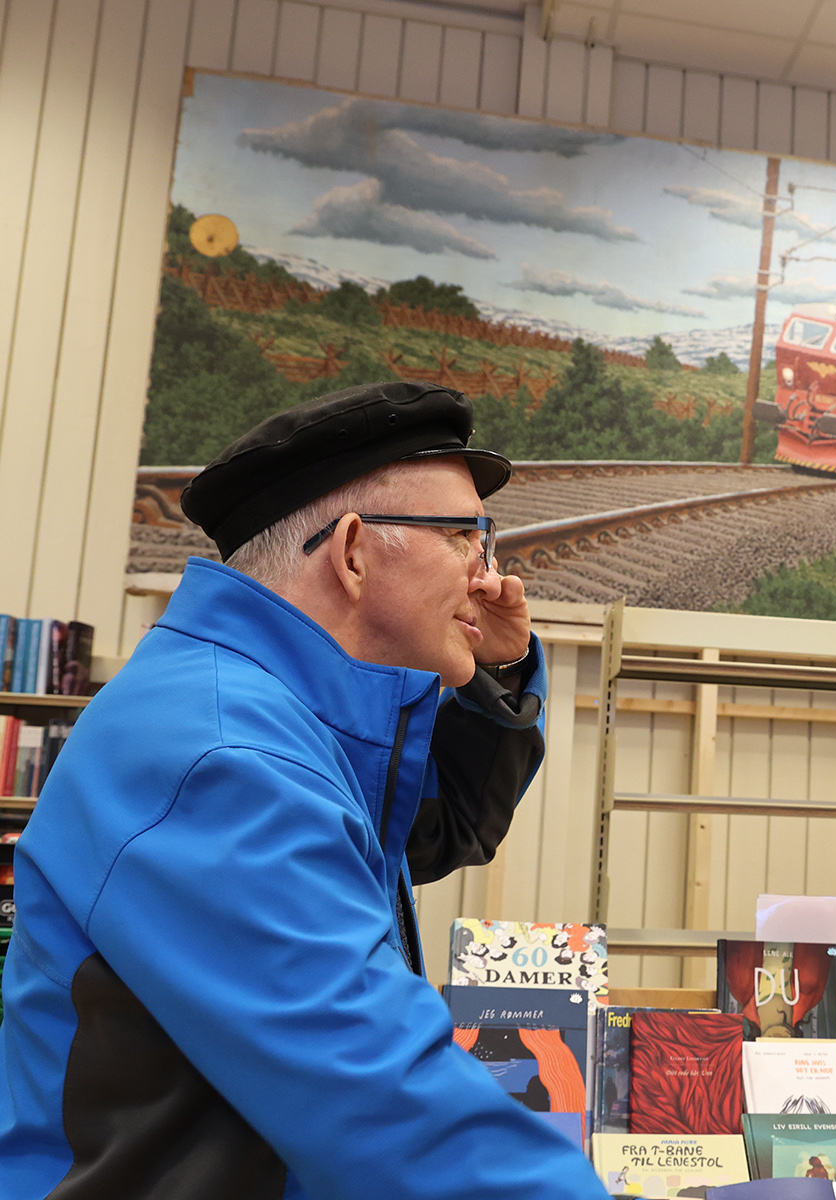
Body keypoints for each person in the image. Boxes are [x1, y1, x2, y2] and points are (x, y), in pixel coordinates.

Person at [0, 382, 607, 1198]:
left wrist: (488, 670)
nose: (487, 575)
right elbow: (388, 1105)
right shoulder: (222, 759)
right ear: (354, 551)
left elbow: (443, 828)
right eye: (467, 537)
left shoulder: (283, 717)